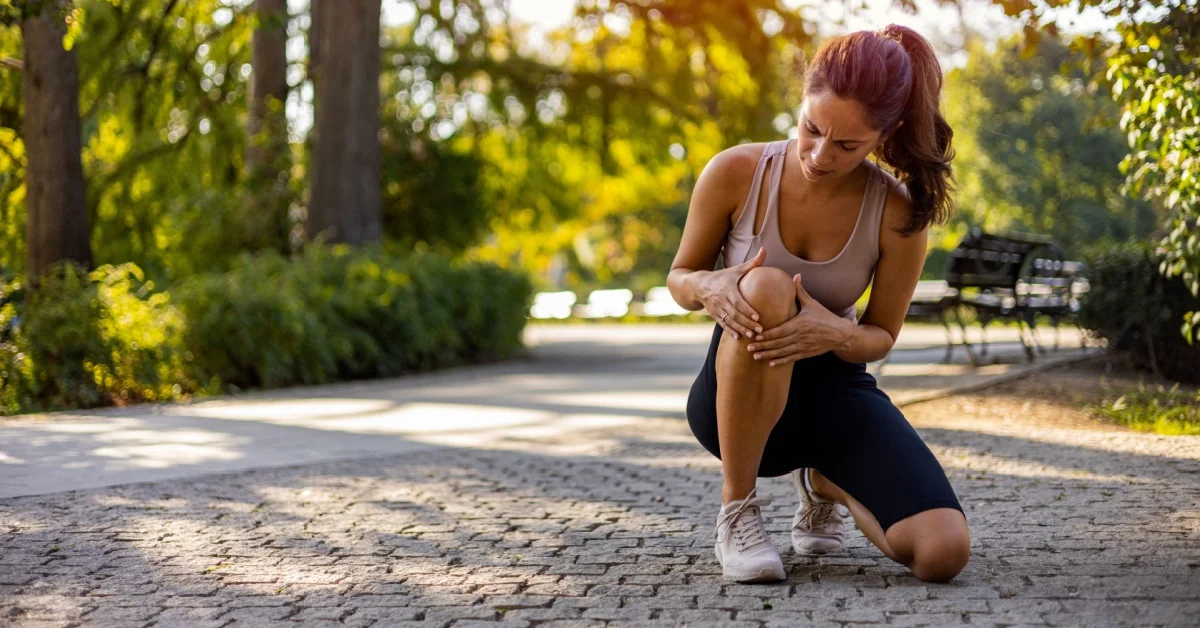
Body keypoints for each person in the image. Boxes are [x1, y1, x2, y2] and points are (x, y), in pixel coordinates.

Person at [666, 24, 970, 584]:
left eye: (848, 145)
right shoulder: (735, 172)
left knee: (942, 553)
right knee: (766, 286)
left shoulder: (897, 213)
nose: (820, 154)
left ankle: (827, 480)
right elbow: (680, 276)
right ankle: (738, 511)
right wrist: (708, 286)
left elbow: (880, 337)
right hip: (734, 404)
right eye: (812, 129)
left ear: (886, 133)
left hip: (835, 397)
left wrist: (833, 333)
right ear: (802, 100)